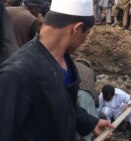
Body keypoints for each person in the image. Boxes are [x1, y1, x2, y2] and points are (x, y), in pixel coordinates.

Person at [0, 0, 113, 141]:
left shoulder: (65, 60)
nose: (85, 41)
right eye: (87, 33)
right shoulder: (17, 74)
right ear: (77, 29)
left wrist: (90, 123)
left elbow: (65, 105)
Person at [75, 59, 99, 141]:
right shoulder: (91, 72)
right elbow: (93, 86)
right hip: (86, 95)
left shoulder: (72, 65)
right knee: (88, 122)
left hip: (72, 93)